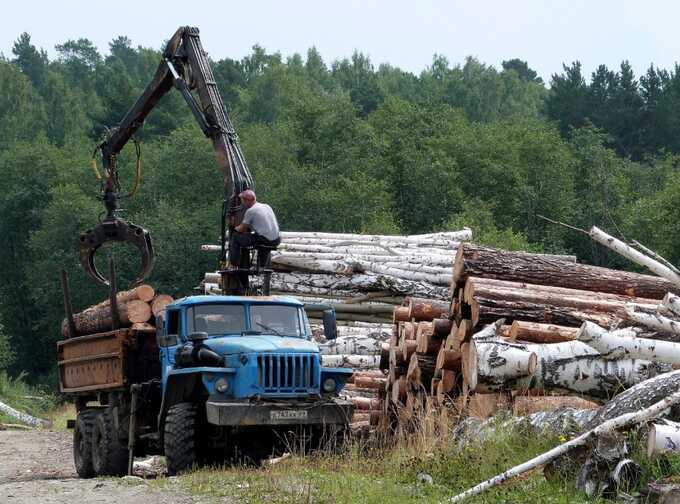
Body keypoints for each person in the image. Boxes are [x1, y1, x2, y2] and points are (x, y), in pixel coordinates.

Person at [228, 189, 281, 270]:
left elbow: (241, 229)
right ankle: (261, 266)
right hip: (277, 239)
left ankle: (233, 265)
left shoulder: (251, 211)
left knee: (235, 237)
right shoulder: (266, 206)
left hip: (265, 240)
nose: (241, 202)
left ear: (246, 201)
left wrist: (233, 228)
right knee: (260, 236)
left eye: (242, 200)